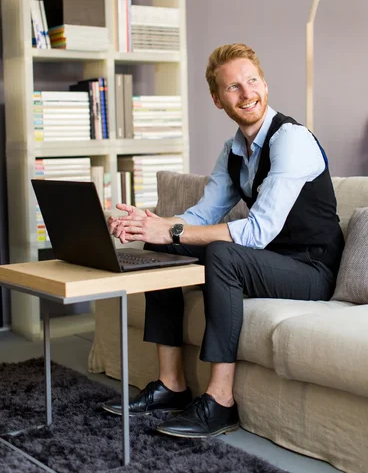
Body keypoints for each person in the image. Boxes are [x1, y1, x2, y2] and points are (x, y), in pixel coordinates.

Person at [102, 43, 344, 439]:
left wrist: (174, 229)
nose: (246, 93)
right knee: (161, 246)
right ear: (217, 99)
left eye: (252, 81)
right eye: (233, 87)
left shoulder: (292, 140)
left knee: (221, 255)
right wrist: (152, 225)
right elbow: (202, 216)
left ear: (265, 85)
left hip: (313, 270)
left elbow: (257, 231)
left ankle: (221, 401)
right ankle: (170, 386)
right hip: (270, 260)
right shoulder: (232, 152)